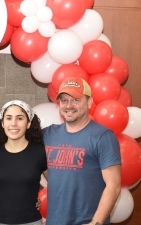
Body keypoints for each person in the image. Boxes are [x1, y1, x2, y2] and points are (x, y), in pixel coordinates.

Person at [43, 77, 121, 225]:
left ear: (89, 102)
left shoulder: (103, 136)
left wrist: (95, 223)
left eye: (76, 100)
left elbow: (114, 185)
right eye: (64, 100)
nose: (69, 105)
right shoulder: (47, 135)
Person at [0, 100, 48, 225]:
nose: (13, 123)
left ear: (28, 123)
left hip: (31, 221)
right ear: (2, 123)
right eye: (8, 118)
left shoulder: (39, 151)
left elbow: (57, 185)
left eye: (20, 118)